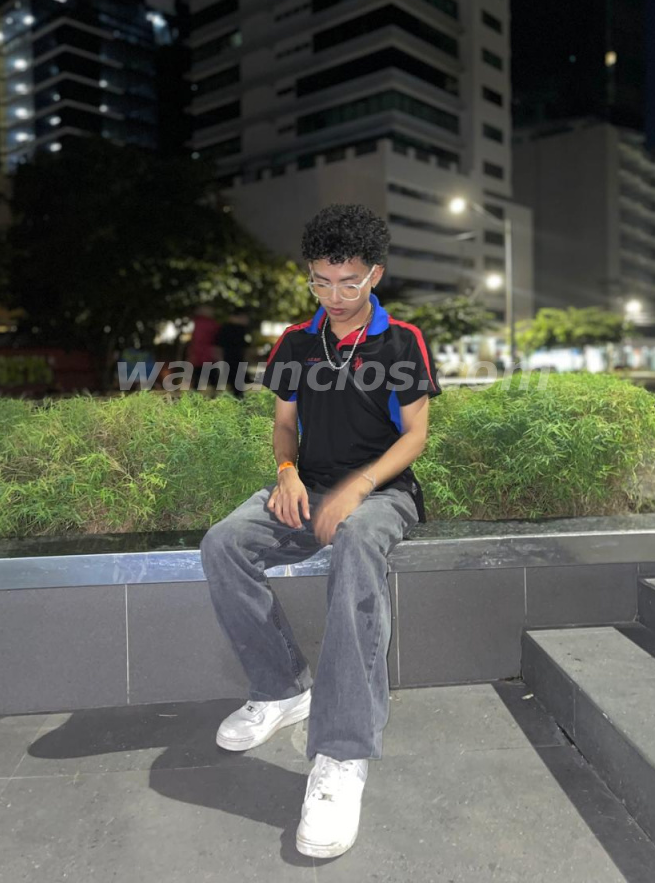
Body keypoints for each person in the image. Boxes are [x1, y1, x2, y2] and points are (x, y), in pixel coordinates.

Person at [199, 204, 441, 858]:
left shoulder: (402, 342)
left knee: (358, 543)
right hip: (309, 490)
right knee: (224, 543)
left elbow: (415, 435)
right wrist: (286, 473)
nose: (334, 296)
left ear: (374, 275)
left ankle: (341, 753)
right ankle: (280, 689)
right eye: (321, 282)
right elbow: (285, 424)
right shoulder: (296, 342)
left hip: (381, 494)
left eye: (349, 282)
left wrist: (359, 488)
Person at [216, 310, 251, 398]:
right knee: (236, 382)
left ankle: (236, 397)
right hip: (234, 358)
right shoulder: (237, 329)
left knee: (234, 382)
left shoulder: (227, 328)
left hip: (231, 358)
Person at [187, 304, 220, 391]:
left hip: (198, 356)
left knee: (198, 380)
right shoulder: (209, 323)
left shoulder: (197, 322)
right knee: (214, 380)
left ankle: (195, 396)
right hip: (206, 355)